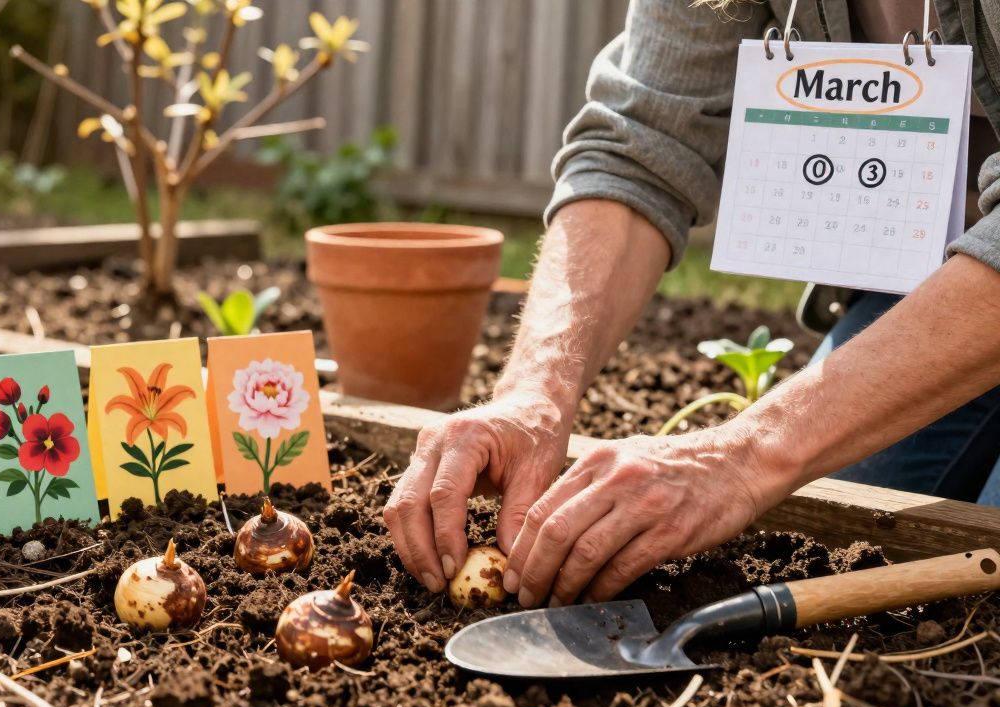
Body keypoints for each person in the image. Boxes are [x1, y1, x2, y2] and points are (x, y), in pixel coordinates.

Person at [383, 0, 1000, 610]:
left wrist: (740, 458)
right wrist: (533, 395)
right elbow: (640, 144)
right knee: (850, 530)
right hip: (935, 278)